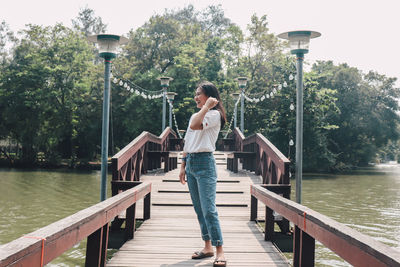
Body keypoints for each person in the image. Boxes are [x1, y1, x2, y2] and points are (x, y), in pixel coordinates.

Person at [179, 81, 227, 267]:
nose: (195, 97)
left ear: (210, 96)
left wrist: (207, 107)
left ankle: (219, 250)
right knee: (199, 209)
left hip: (206, 163)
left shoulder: (214, 115)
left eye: (199, 93)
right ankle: (207, 246)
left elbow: (195, 125)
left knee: (209, 209)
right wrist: (182, 166)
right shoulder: (197, 114)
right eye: (195, 93)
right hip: (191, 162)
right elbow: (188, 141)